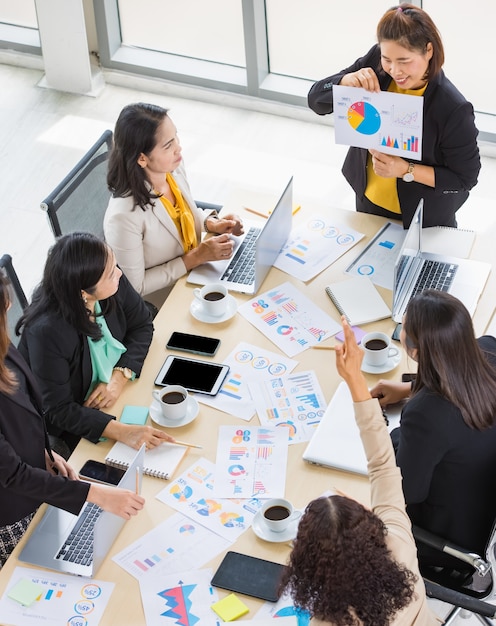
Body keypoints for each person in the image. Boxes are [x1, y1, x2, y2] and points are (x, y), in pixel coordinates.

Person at [279, 317, 441, 625]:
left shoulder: (330, 621)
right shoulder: (399, 543)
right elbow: (382, 465)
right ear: (372, 527)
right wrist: (355, 379)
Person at [0, 274, 145, 568]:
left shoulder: (2, 348)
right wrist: (96, 495)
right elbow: (12, 475)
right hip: (10, 512)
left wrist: (44, 451)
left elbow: (23, 412)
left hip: (36, 479)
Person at [307, 3, 480, 228]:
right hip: (368, 205)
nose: (394, 70)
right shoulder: (376, 62)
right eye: (387, 59)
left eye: (404, 61)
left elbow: (465, 179)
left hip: (423, 220)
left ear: (428, 51)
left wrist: (405, 170)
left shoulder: (453, 108)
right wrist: (344, 82)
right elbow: (315, 100)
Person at [16, 232, 176, 455]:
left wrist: (120, 375)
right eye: (111, 274)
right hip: (78, 421)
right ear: (83, 293)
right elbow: (58, 410)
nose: (119, 273)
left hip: (119, 395)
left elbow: (142, 324)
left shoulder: (105, 275)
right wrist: (122, 432)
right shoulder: (47, 332)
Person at [371, 289, 496, 568]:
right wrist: (410, 387)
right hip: (482, 507)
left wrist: (378, 434)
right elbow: (462, 372)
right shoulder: (490, 348)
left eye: (403, 326)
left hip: (450, 541)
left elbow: (405, 493)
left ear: (414, 350)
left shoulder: (426, 415)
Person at [104, 102, 244, 302]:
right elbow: (136, 287)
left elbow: (179, 214)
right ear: (142, 159)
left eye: (175, 136)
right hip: (167, 298)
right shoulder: (123, 217)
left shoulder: (172, 169)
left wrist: (210, 223)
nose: (179, 148)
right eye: (168, 145)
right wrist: (196, 257)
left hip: (198, 272)